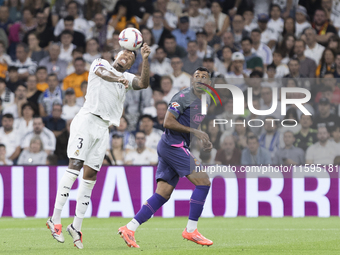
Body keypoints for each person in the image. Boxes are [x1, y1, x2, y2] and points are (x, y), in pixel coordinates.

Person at [46, 43, 151, 249]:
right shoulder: (100, 63)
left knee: (91, 176)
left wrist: (145, 59)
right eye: (125, 53)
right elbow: (103, 73)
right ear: (117, 53)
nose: (127, 57)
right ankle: (55, 219)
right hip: (86, 121)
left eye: (131, 57)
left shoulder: (128, 77)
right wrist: (118, 78)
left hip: (104, 128)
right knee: (74, 166)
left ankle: (76, 226)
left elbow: (143, 83)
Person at [118, 67, 213, 248]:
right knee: (204, 181)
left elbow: (189, 126)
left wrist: (201, 139)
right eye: (196, 76)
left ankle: (129, 228)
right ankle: (191, 230)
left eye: (204, 77)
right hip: (172, 146)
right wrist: (195, 132)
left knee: (163, 194)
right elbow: (167, 122)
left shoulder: (205, 101)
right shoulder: (183, 97)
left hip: (175, 146)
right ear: (192, 80)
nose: (200, 79)